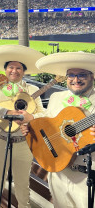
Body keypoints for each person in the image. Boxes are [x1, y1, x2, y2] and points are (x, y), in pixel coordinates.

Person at [20, 51, 95, 208]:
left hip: (87, 178)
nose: (76, 79)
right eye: (71, 75)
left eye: (82, 75)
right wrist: (31, 128)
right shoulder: (56, 98)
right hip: (58, 173)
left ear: (92, 76)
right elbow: (47, 126)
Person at [0, 44, 45, 208]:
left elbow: (43, 114)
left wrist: (30, 117)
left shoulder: (33, 89)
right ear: (5, 69)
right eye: (11, 67)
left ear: (24, 71)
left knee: (23, 183)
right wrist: (6, 112)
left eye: (18, 68)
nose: (14, 71)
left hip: (23, 143)